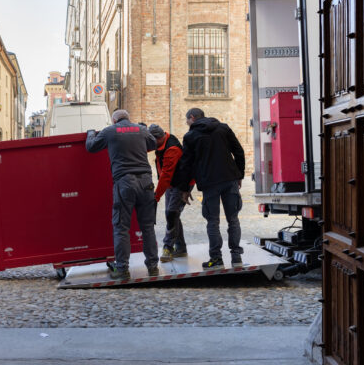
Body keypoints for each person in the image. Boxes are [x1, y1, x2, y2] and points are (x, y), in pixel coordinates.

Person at [86, 109, 160, 280]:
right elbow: (153, 144)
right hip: (146, 182)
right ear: (128, 118)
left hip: (125, 183)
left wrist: (90, 133)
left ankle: (122, 269)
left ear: (114, 120)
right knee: (148, 227)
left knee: (121, 228)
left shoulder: (109, 132)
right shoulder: (140, 130)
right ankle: (153, 267)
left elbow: (91, 147)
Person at [172, 108, 246, 270]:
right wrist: (239, 174)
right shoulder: (223, 128)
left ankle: (216, 259)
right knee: (233, 219)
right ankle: (236, 257)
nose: (187, 124)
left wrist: (185, 189)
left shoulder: (190, 136)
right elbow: (239, 151)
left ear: (192, 117)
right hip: (229, 179)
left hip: (209, 183)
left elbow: (186, 164)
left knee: (213, 221)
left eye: (187, 120)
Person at [147, 123, 188, 262]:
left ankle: (168, 248)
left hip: (180, 183)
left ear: (157, 139)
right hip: (172, 183)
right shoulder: (162, 142)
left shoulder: (172, 149)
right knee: (173, 213)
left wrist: (156, 196)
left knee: (171, 213)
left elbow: (166, 175)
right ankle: (181, 248)